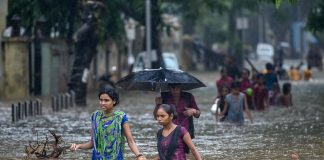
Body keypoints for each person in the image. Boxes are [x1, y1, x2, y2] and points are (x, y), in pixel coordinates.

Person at [70, 87, 146, 160]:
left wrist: (139, 155)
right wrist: (78, 146)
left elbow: (130, 141)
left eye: (106, 100)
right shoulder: (95, 116)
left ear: (114, 101)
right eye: (101, 100)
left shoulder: (121, 117)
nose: (103, 103)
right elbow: (93, 142)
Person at [155, 83, 200, 153]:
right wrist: (158, 105)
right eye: (172, 88)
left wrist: (193, 111)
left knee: (184, 153)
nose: (175, 91)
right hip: (169, 131)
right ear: (169, 88)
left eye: (177, 88)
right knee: (167, 153)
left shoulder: (188, 97)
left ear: (181, 87)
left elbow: (198, 114)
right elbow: (156, 116)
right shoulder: (164, 96)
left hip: (185, 132)